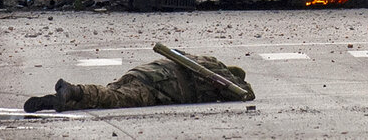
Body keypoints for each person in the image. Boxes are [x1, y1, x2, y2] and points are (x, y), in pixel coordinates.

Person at [23, 54, 254, 112]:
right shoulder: (220, 76)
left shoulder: (204, 61)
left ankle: (60, 102)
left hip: (143, 73)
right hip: (160, 85)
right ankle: (74, 90)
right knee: (115, 99)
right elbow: (247, 94)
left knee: (109, 96)